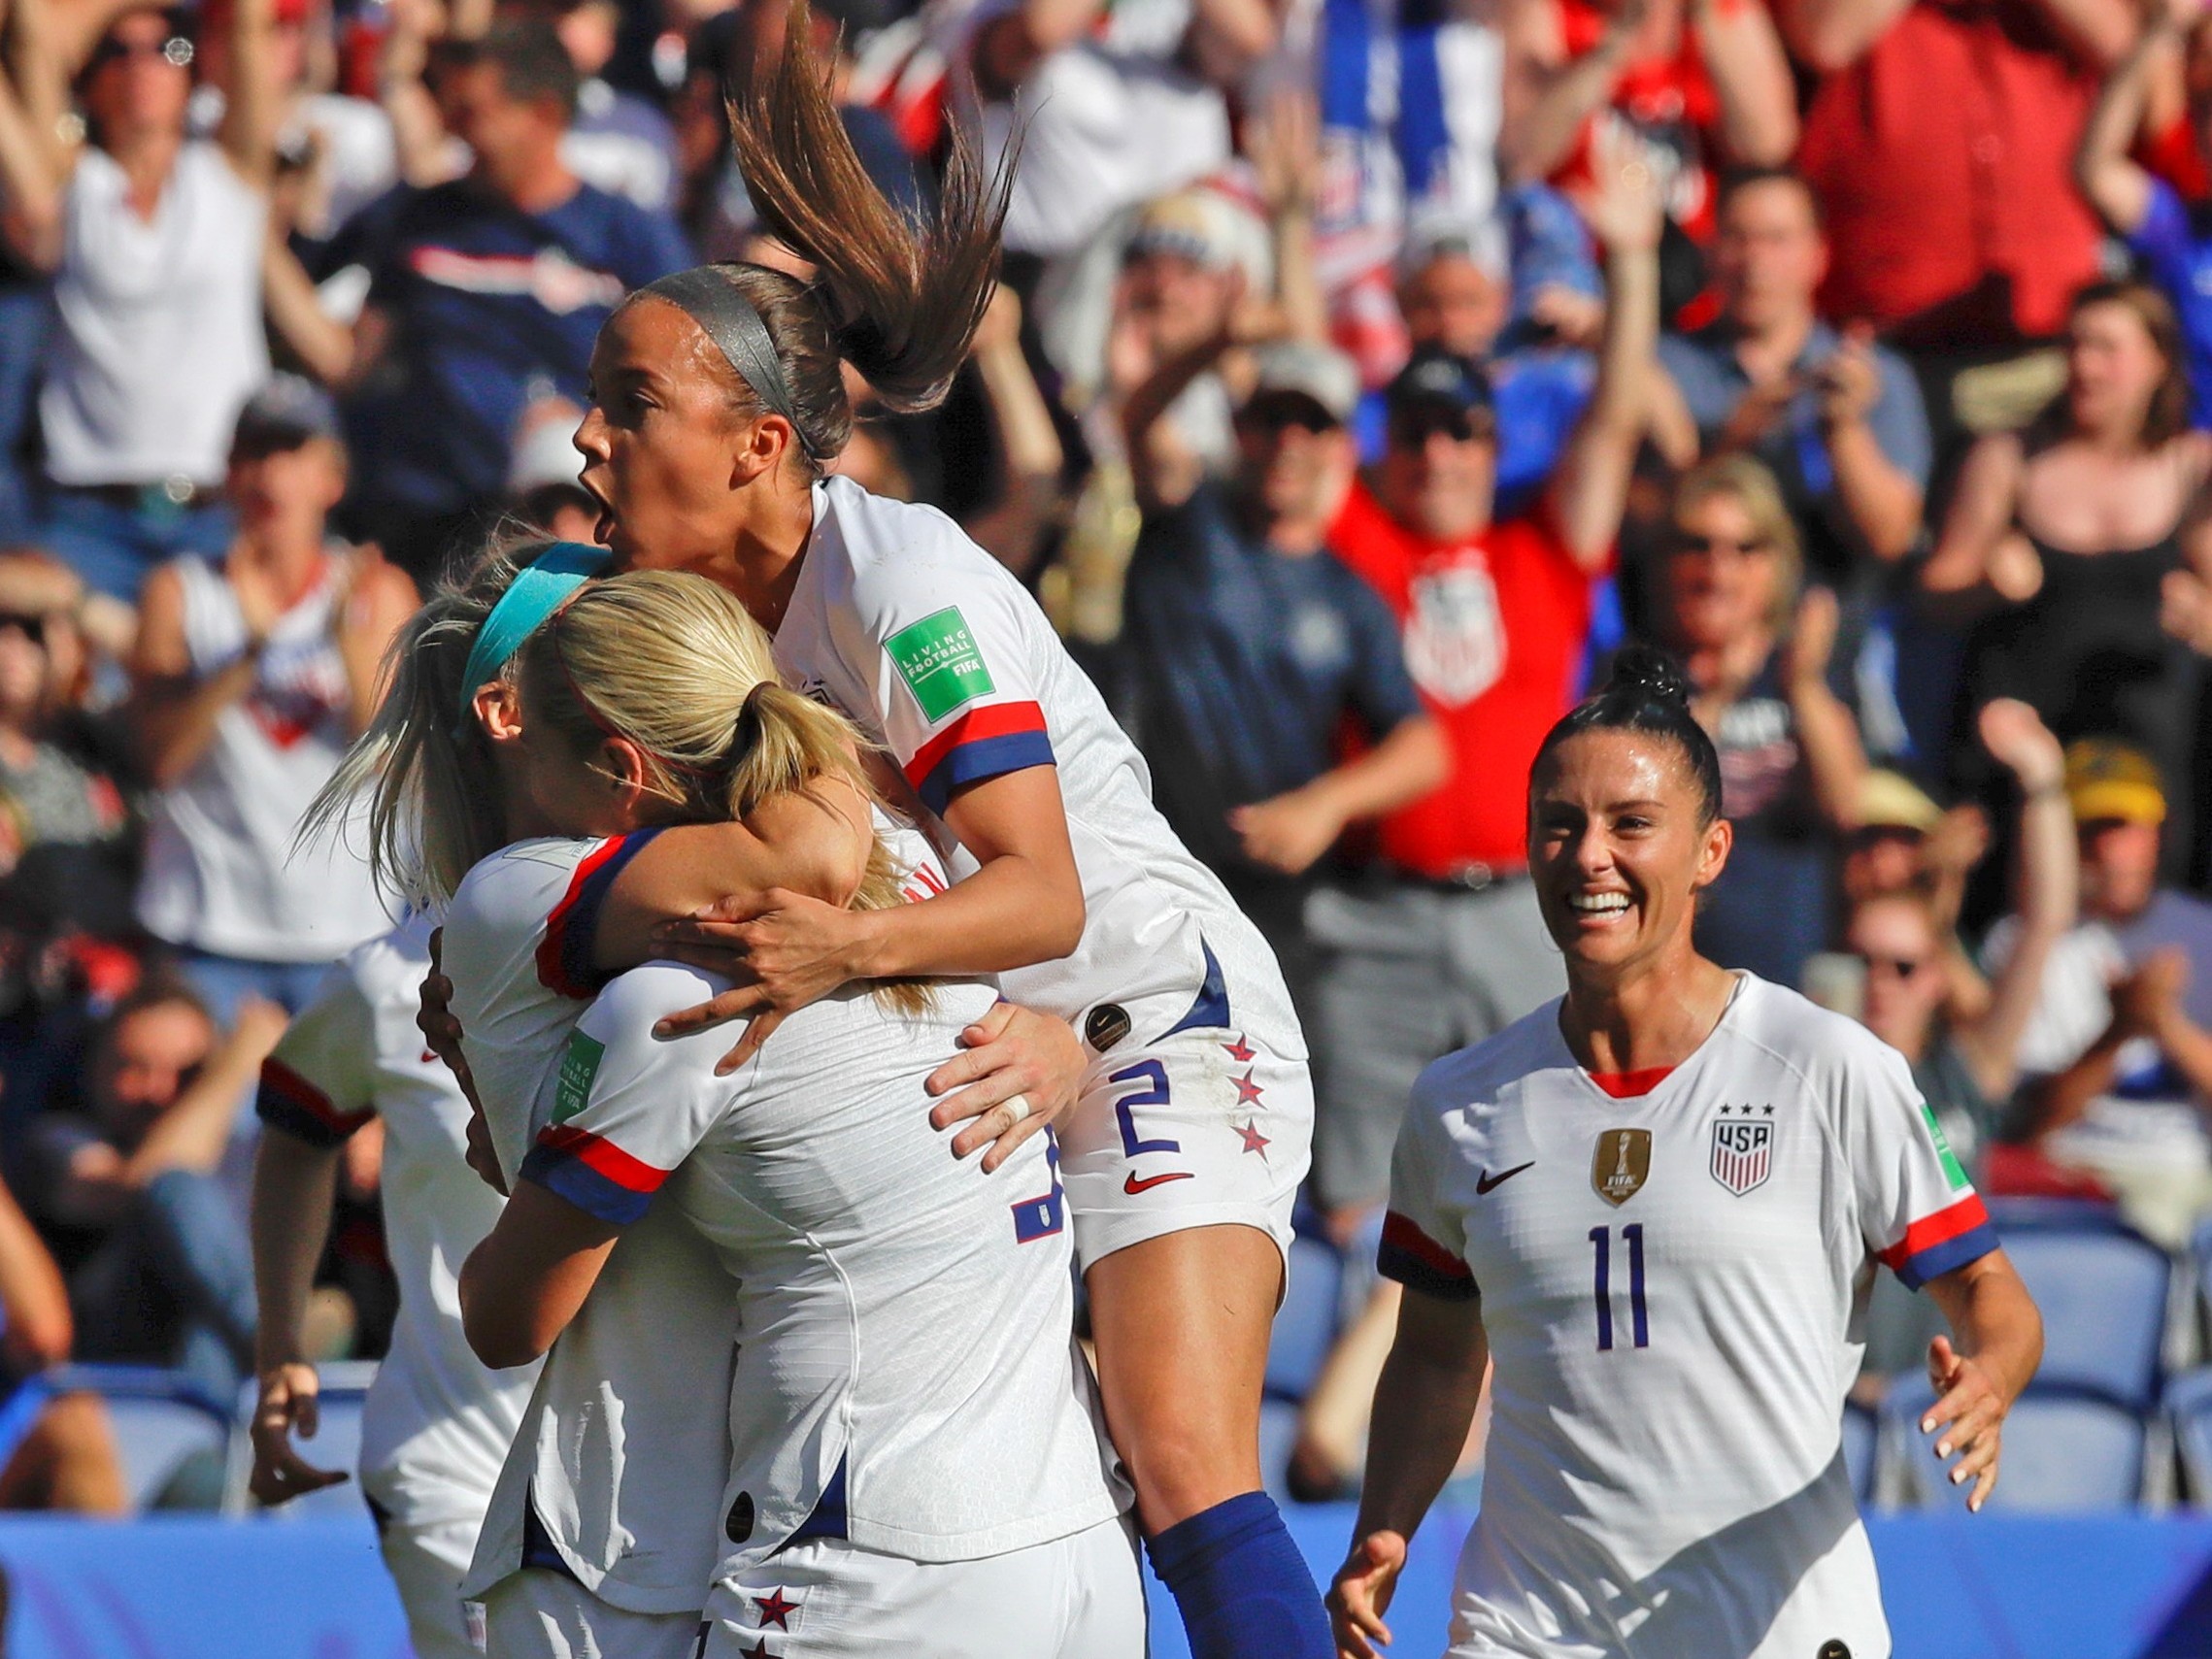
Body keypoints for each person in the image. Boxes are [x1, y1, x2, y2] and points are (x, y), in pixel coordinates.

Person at [569, 12, 1334, 1652]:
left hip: (1151, 1015)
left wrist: (844, 943)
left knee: (1175, 1451)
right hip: (990, 1028)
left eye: (631, 406)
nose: (589, 438)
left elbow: (1040, 888)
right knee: (1052, 1485)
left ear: (760, 448)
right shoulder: (703, 617)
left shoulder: (901, 588)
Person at [440, 574, 1140, 1659]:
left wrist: (526, 1174)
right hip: (1078, 1546)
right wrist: (1055, 1035)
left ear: (624, 770)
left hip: (854, 1554)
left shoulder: (675, 995)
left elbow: (506, 1318)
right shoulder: (918, 868)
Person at [1327, 647, 2044, 1659]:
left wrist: (1991, 1377)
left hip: (1776, 1628)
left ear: (1709, 849)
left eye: (1629, 824)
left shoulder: (1826, 1064)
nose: (1589, 856)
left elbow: (1988, 1288)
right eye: (1560, 825)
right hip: (1528, 1627)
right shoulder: (1458, 1101)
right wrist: (1384, 1522)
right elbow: (1437, 1352)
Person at [1308, 149, 1658, 1233]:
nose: (1439, 452)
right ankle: (1362, 1404)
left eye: (1460, 429)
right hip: (1375, 915)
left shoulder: (1542, 548)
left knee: (1550, 1182)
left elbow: (1612, 419)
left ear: (1492, 442)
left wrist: (1633, 261)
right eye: (1413, 432)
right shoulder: (1357, 544)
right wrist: (1287, 228)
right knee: (1358, 1200)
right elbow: (1303, 401)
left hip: (1523, 905)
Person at [1119, 336, 1450, 999]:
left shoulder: (1350, 597)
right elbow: (1139, 416)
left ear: (1341, 444)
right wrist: (1214, 337)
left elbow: (1425, 748)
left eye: (1314, 423)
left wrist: (1325, 805)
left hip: (1271, 900)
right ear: (1241, 429)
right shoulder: (1188, 521)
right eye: (1273, 418)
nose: (1290, 441)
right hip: (1139, 870)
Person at [248, 914, 536, 1659]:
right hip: (458, 1464)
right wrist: (279, 1344)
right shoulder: (386, 976)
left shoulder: (681, 946)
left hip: (660, 1470)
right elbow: (295, 1138)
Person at [317, 17, 692, 581]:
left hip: (571, 528)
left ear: (543, 114)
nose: (455, 132)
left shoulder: (625, 236)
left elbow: (687, 374)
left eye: (472, 113)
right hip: (425, 528)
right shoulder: (418, 219)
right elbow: (355, 360)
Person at [124, 377, 415, 1022]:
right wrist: (249, 654)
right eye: (252, 452)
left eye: (289, 451)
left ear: (331, 477)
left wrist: (345, 643)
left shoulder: (377, 591)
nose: (268, 473)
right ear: (228, 475)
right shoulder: (179, 593)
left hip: (346, 932)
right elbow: (160, 758)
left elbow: (391, 760)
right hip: (206, 927)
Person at [1922, 279, 2212, 865]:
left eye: (2107, 348)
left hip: (2147, 747)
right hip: (2021, 735)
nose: (2085, 365)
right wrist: (1985, 584)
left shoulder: (2191, 467)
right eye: (2075, 345)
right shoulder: (2009, 457)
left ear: (2158, 362)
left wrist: (2203, 620)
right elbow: (1931, 596)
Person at [0, 0, 281, 602]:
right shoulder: (68, 189)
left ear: (193, 76)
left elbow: (248, 27)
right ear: (88, 81)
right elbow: (27, 33)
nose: (142, 67)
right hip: (85, 524)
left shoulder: (232, 177)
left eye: (168, 49)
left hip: (217, 519)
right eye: (117, 52)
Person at [1653, 165, 1932, 585]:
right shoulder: (1665, 367)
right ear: (1710, 254)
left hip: (1833, 611)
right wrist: (1729, 444)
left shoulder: (1877, 376)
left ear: (1818, 256)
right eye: (1738, 238)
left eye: (1777, 240)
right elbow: (1641, 526)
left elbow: (1890, 539)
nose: (1755, 260)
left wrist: (1843, 428)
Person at [1648, 455, 1865, 989]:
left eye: (1745, 549)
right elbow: (1642, 799)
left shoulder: (1803, 669)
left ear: (1776, 561)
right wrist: (1719, 694)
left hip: (1793, 958)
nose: (1717, 570)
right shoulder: (1637, 670)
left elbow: (1848, 805)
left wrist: (1804, 686)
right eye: (1697, 545)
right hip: (1675, 972)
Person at [17, 975, 285, 1398]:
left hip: (223, 1360)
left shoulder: (252, 1151)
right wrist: (236, 1066)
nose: (158, 1091)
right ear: (94, 1069)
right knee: (177, 1192)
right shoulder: (57, 1141)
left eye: (186, 1072)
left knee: (205, 1325)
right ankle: (285, 1341)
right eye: (134, 1067)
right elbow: (141, 1186)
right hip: (117, 1360)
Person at [1994, 739, 2212, 1244]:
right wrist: (2119, 1031)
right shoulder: (2025, 944)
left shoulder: (2201, 930)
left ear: (2159, 834)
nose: (2110, 852)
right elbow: (2026, 1126)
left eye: (2125, 829)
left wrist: (2164, 1024)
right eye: (2092, 830)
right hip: (2076, 1184)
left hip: (2193, 1182)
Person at [1846, 701, 2075, 1172]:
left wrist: (2043, 780)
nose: (1879, 982)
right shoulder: (1807, 1078)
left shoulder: (1967, 1070)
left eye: (1902, 967)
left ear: (1936, 977)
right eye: (1862, 963)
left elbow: (2044, 923)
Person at [1500, 0, 1798, 321]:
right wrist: (1612, 48)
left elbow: (1766, 147)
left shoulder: (1720, 11)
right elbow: (1523, 153)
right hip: (1581, 289)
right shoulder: (1549, 12)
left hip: (1699, 288)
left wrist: (1707, 18)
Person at [2077, 1, 2212, 430]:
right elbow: (2094, 169)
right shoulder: (2177, 227)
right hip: (2183, 463)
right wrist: (2156, 37)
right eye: (2206, 118)